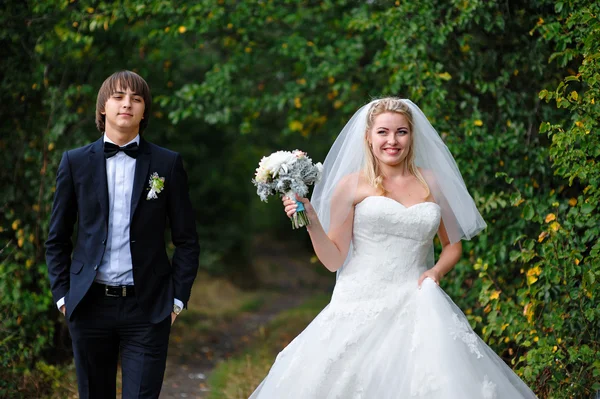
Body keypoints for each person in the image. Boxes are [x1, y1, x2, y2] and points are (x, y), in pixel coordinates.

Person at [249, 98, 537, 398]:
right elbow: (334, 260)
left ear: (412, 136)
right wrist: (310, 220)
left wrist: (435, 272)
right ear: (368, 137)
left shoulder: (432, 182)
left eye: (401, 132)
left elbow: (452, 247)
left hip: (417, 298)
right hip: (360, 301)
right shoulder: (351, 185)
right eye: (383, 132)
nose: (392, 140)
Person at [45, 70, 200, 399]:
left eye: (137, 99)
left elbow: (186, 240)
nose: (127, 104)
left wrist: (176, 301)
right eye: (118, 97)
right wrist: (63, 298)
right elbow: (57, 239)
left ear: (145, 111)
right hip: (88, 305)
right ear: (103, 107)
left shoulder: (167, 163)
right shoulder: (74, 162)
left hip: (148, 308)